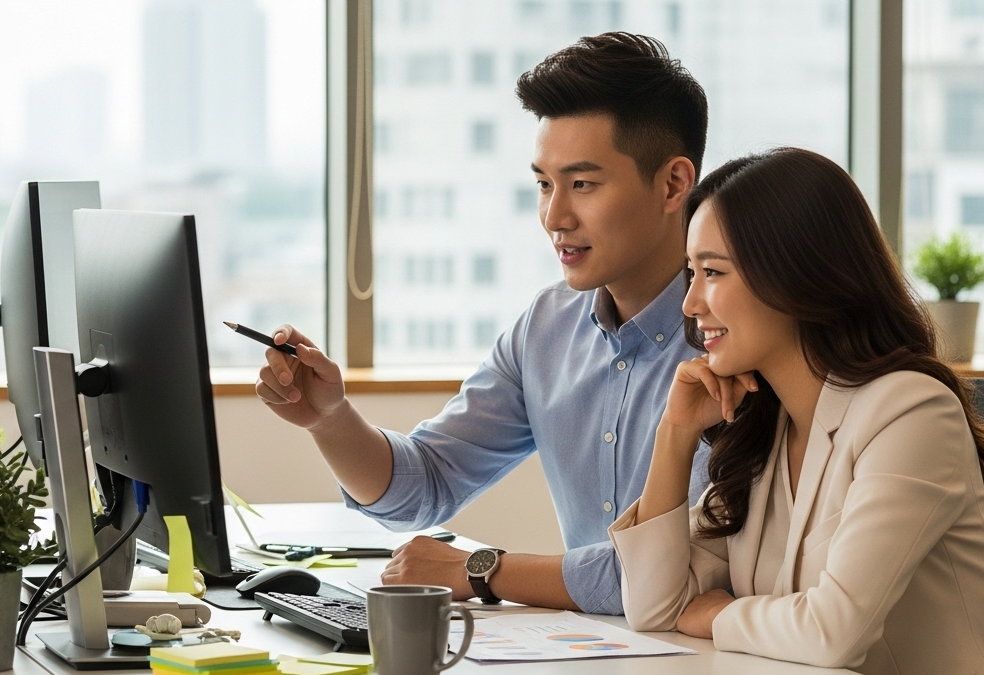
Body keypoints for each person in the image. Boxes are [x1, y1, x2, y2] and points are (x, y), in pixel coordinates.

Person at [253, 33, 709, 614]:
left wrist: (483, 570)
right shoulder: (547, 327)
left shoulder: (733, 337)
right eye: (544, 184)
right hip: (600, 652)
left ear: (673, 184)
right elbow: (426, 484)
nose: (555, 216)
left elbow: (676, 569)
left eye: (583, 184)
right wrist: (330, 419)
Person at [608, 147, 984, 675]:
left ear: (795, 275)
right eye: (690, 273)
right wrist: (673, 435)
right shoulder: (769, 428)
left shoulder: (910, 411)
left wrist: (721, 615)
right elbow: (654, 609)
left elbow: (834, 632)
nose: (690, 305)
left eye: (712, 272)